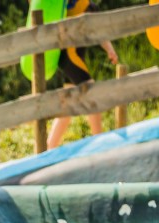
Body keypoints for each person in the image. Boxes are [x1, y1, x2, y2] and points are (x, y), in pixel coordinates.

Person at [44, 0, 121, 148]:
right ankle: (99, 143)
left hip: (74, 57)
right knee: (90, 91)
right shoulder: (66, 4)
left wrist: (109, 49)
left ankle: (49, 148)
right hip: (69, 57)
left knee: (68, 105)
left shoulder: (89, 6)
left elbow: (98, 31)